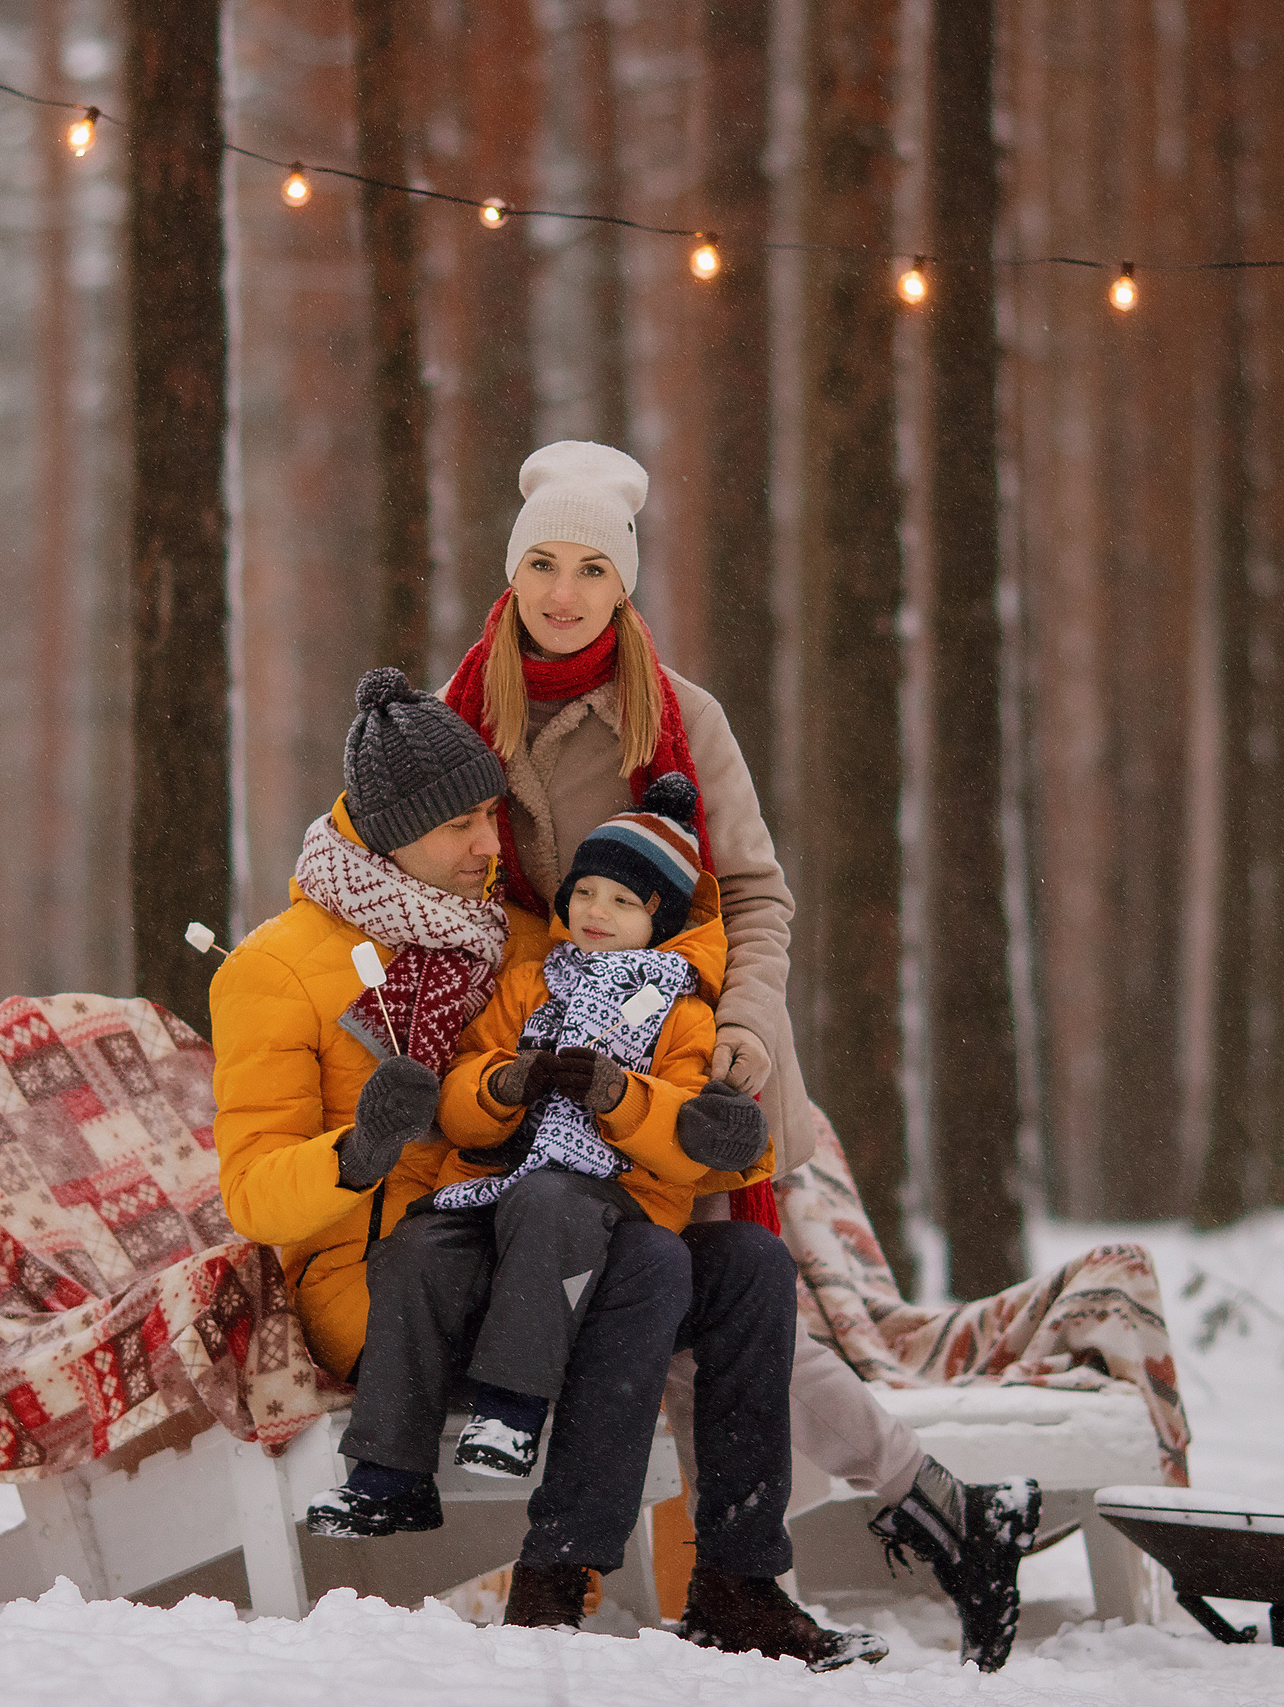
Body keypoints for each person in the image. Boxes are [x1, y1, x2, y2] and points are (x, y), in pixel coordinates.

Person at [439, 440, 1037, 1670]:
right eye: (541, 564)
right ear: (510, 573)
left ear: (623, 587)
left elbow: (756, 895)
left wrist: (748, 1034)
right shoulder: (460, 724)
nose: (562, 593)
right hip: (536, 1066)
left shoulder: (680, 718)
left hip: (684, 1059)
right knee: (678, 1311)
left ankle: (742, 1581)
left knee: (734, 1302)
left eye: (590, 569)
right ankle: (926, 1514)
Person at [212, 670, 883, 1667]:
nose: (492, 846)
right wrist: (358, 1151)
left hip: (548, 1230)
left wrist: (715, 1074)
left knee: (746, 1268)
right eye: (461, 828)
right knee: (644, 1264)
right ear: (388, 832)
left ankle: (739, 1582)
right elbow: (254, 1191)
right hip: (405, 1277)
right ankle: (556, 1577)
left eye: (492, 816)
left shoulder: (521, 936)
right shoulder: (275, 969)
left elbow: (667, 943)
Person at [304, 773, 775, 1526]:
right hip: (495, 1184)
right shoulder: (530, 984)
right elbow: (459, 1098)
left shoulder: (684, 1015)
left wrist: (621, 1096)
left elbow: (688, 1143)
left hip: (609, 1197)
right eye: (587, 891)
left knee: (550, 1198)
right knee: (418, 1247)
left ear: (661, 918)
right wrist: (504, 1084)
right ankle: (387, 1476)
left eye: (624, 901)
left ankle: (513, 1408)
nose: (596, 911)